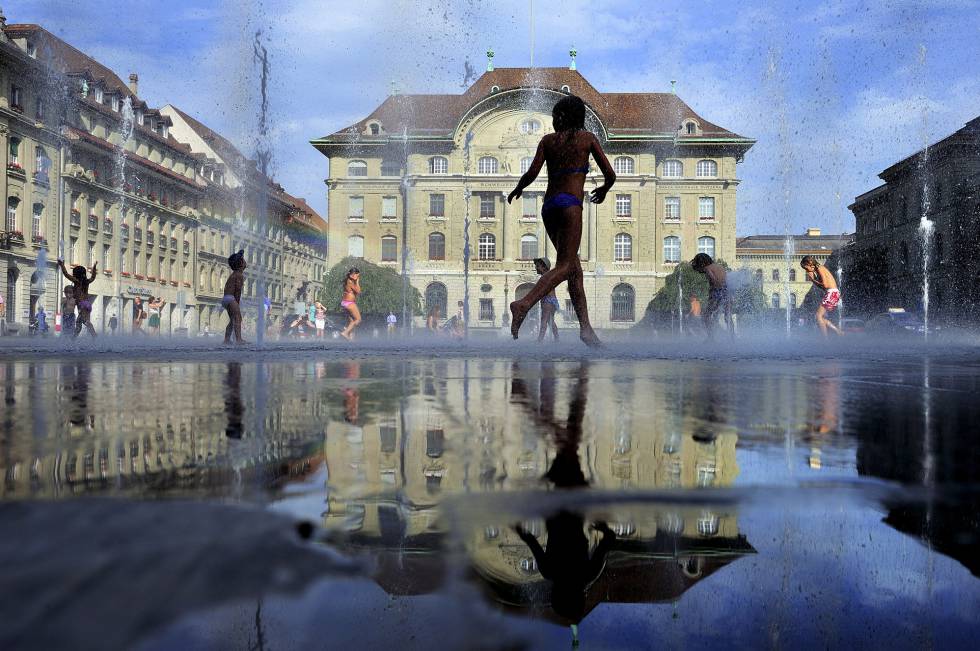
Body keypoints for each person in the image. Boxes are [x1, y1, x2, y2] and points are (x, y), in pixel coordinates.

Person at [507, 95, 615, 347]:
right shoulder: (587, 139)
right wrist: (605, 189)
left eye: (556, 115)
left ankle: (586, 329)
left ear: (561, 118)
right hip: (570, 205)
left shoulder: (547, 141)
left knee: (574, 268)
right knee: (566, 266)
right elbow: (610, 173)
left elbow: (532, 173)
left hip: (549, 207)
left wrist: (518, 189)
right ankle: (523, 303)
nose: (554, 120)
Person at [691, 253, 734, 340]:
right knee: (727, 316)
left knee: (706, 315)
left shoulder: (707, 268)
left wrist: (712, 292)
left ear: (701, 263)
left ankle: (711, 338)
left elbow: (714, 280)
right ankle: (732, 338)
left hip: (718, 291)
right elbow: (726, 280)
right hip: (728, 291)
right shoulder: (720, 267)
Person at [801, 255, 843, 337]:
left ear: (810, 264)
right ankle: (838, 332)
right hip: (833, 293)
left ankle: (825, 340)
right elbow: (823, 286)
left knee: (818, 316)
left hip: (832, 293)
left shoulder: (820, 268)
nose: (806, 271)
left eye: (806, 268)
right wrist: (813, 279)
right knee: (820, 318)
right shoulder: (818, 268)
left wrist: (813, 280)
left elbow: (825, 284)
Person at [58, 258, 98, 338]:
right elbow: (93, 277)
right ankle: (73, 339)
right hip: (86, 304)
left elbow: (66, 274)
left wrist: (62, 265)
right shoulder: (86, 282)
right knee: (79, 323)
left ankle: (95, 337)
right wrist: (94, 267)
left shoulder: (76, 281)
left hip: (82, 304)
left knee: (85, 322)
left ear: (76, 273)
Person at [222, 249, 247, 345]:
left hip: (226, 298)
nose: (245, 262)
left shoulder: (234, 274)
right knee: (238, 318)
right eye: (243, 260)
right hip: (231, 298)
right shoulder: (239, 275)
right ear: (241, 263)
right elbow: (238, 290)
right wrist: (237, 302)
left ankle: (226, 339)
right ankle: (239, 339)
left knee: (232, 320)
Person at [533, 258, 561, 342]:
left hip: (548, 301)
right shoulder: (548, 275)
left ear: (544, 267)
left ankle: (539, 341)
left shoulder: (545, 276)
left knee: (544, 321)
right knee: (551, 322)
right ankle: (557, 340)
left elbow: (543, 291)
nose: (536, 268)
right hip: (553, 301)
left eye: (537, 266)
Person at [339, 267, 361, 341]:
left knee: (352, 321)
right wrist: (357, 282)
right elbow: (358, 291)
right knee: (358, 319)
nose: (358, 277)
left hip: (344, 303)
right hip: (350, 303)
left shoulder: (347, 281)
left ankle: (351, 337)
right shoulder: (350, 282)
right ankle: (345, 332)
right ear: (352, 275)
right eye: (357, 276)